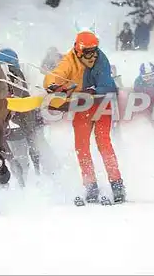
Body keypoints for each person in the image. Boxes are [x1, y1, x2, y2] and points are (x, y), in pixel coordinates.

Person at [43, 28, 126, 204]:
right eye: (88, 52)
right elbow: (56, 74)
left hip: (102, 102)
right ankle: (90, 185)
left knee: (103, 142)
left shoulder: (101, 59)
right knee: (81, 146)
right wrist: (52, 85)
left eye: (94, 51)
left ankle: (117, 184)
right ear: (78, 50)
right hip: (82, 106)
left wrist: (90, 91)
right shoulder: (69, 60)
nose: (92, 56)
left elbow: (105, 83)